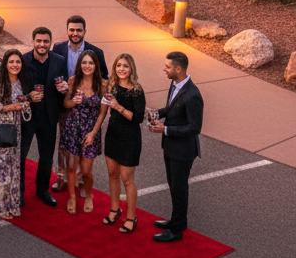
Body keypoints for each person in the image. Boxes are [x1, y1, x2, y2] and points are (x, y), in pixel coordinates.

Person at [149, 52, 203, 243]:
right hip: (171, 148)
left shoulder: (193, 95)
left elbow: (195, 127)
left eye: (167, 66)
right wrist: (156, 113)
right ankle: (176, 220)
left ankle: (177, 230)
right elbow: (171, 109)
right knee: (174, 187)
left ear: (178, 69)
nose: (164, 69)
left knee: (179, 189)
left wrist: (166, 129)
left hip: (183, 151)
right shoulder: (175, 84)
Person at [51, 15, 108, 192]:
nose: (75, 33)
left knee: (86, 144)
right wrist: (58, 85)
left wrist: (95, 99)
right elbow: (55, 74)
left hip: (88, 109)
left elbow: (104, 78)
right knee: (64, 144)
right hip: (66, 103)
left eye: (78, 30)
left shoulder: (96, 52)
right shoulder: (58, 48)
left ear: (84, 31)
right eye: (72, 30)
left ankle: (83, 180)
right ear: (67, 30)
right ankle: (62, 177)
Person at [0, 49, 32, 219]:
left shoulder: (20, 82)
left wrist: (26, 104)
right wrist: (7, 107)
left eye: (18, 62)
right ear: (5, 64)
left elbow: (22, 106)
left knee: (12, 166)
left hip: (15, 129)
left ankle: (10, 203)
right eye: (11, 62)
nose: (15, 65)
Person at [21, 27, 69, 206]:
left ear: (50, 42)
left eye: (46, 41)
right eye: (39, 41)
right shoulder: (23, 61)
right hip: (27, 117)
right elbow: (16, 90)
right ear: (33, 41)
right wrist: (28, 97)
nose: (42, 45)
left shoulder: (59, 61)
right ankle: (19, 193)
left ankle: (42, 191)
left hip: (49, 117)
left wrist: (64, 89)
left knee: (46, 157)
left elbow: (63, 85)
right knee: (21, 156)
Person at [102, 54, 146, 233]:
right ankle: (115, 209)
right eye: (118, 65)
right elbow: (104, 108)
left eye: (125, 66)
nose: (121, 69)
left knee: (127, 179)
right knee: (112, 175)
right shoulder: (111, 84)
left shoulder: (136, 90)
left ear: (131, 69)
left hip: (130, 138)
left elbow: (138, 118)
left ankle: (131, 217)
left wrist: (118, 106)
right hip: (112, 134)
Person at [61, 52, 108, 214]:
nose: (87, 66)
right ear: (80, 64)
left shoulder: (102, 84)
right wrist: (72, 101)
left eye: (91, 63)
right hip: (73, 128)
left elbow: (103, 113)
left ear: (96, 65)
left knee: (87, 171)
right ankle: (72, 197)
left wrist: (93, 133)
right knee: (71, 167)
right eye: (84, 62)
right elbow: (66, 103)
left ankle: (88, 195)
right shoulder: (73, 81)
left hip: (91, 131)